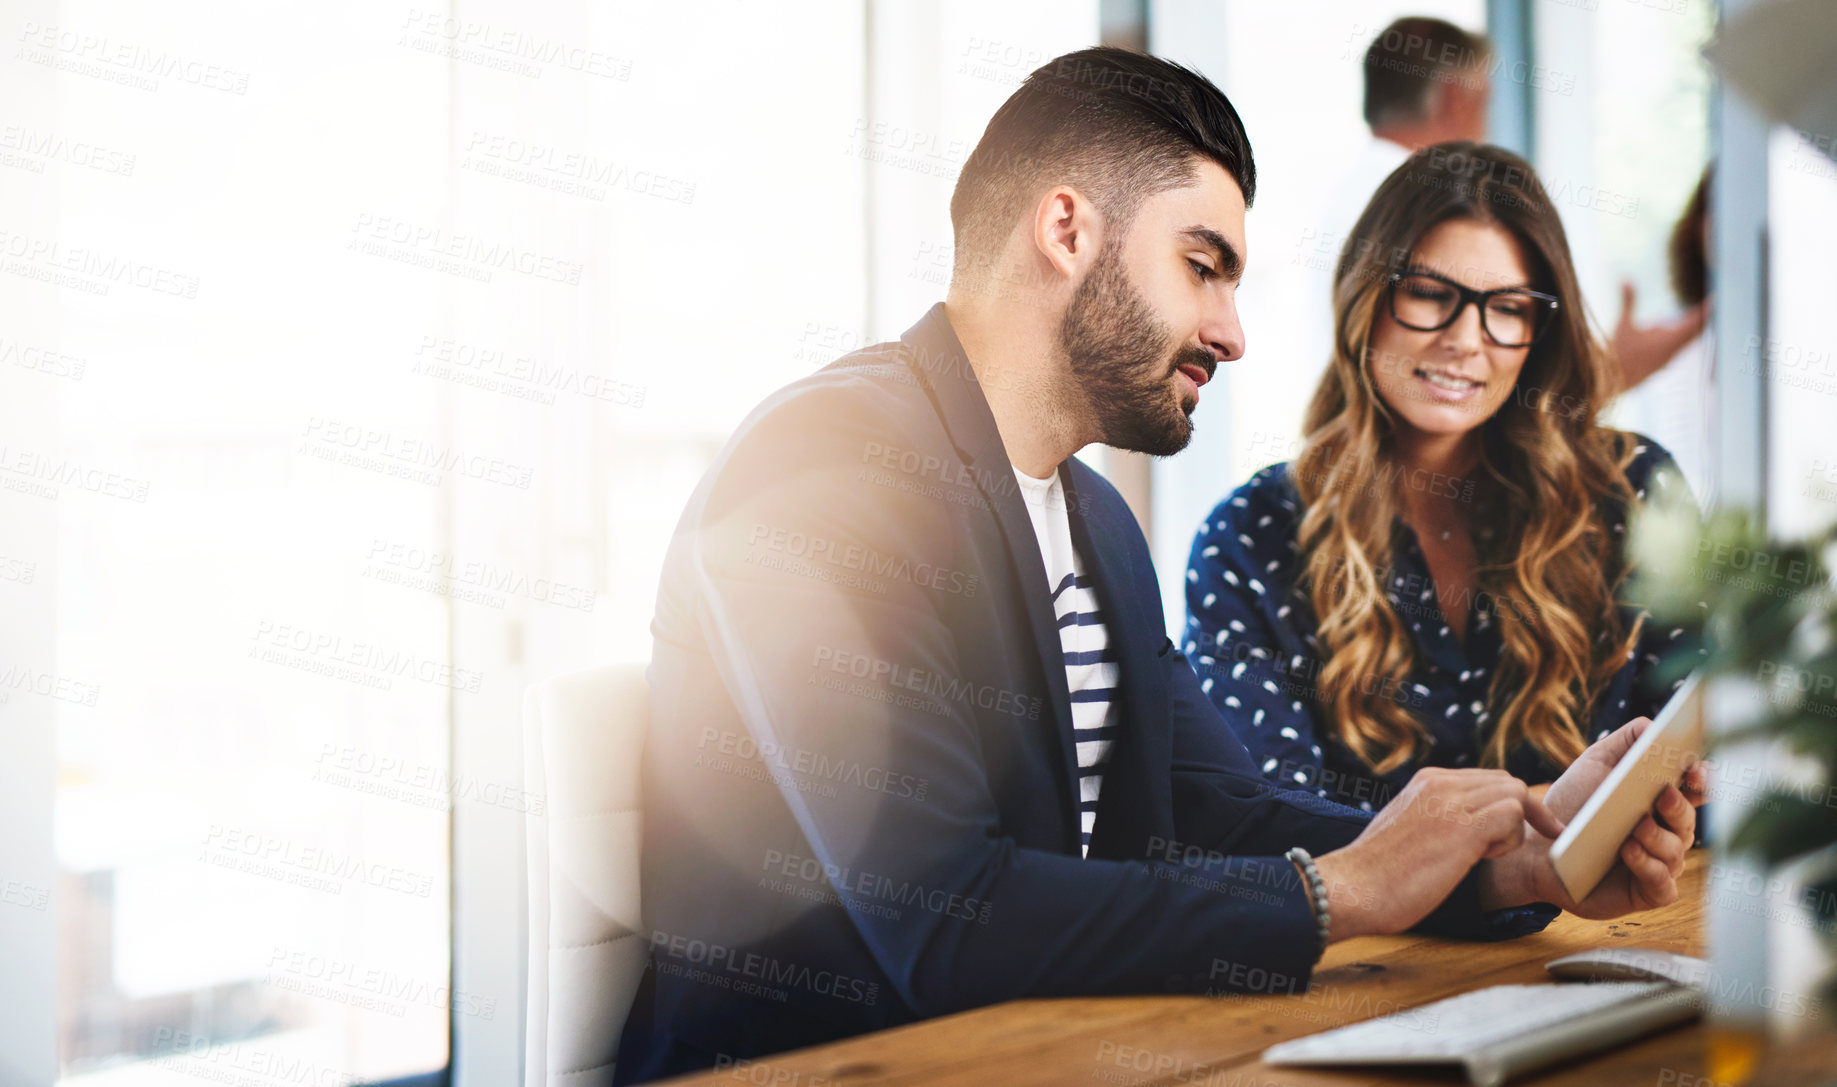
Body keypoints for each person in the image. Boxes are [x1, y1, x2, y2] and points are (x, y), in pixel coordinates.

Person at [617, 51, 1703, 1084]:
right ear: (1065, 229)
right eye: (1201, 266)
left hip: (1035, 1051)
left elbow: (1219, 812)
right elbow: (942, 914)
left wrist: (1517, 855)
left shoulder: (1092, 520)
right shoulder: (825, 468)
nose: (1230, 332)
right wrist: (1331, 894)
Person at [1185, 141, 1703, 814]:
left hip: (1642, 919)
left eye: (1509, 308)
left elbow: (1701, 766)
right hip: (1372, 927)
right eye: (1429, 295)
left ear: (1539, 333)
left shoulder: (1631, 489)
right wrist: (1539, 823)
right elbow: (1269, 826)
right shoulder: (1250, 537)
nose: (1465, 338)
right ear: (1364, 299)